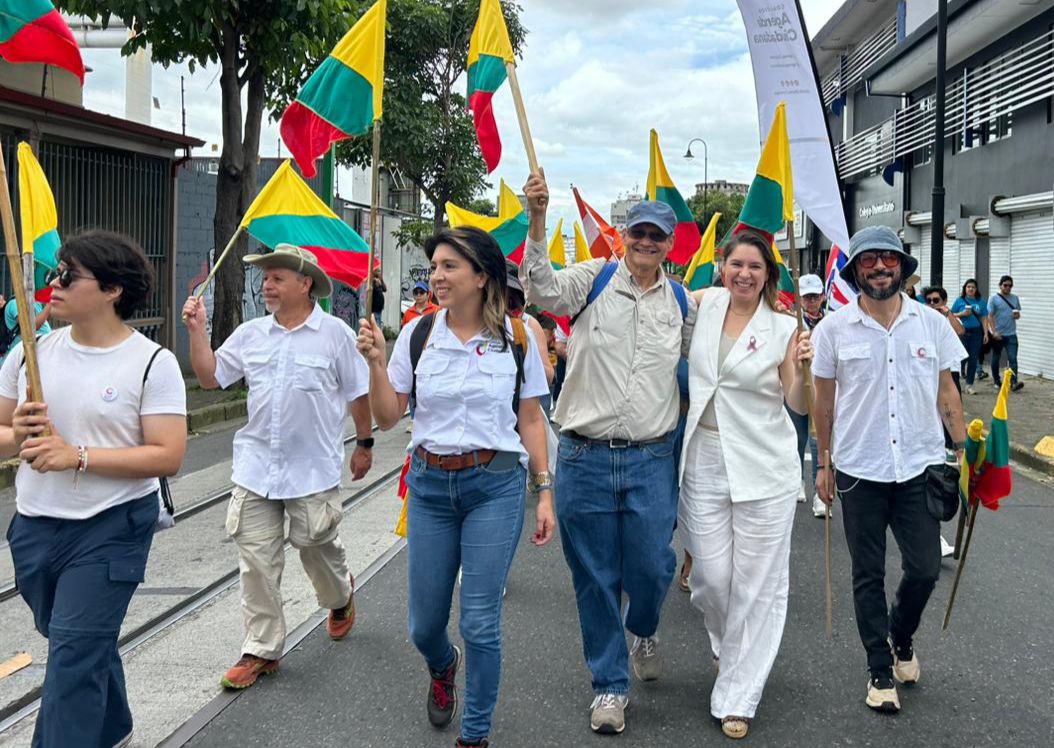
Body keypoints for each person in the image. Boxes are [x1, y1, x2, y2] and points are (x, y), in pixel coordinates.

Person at [358, 225, 555, 748]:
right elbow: (386, 416)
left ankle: (475, 734)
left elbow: (531, 419)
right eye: (436, 267)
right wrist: (377, 364)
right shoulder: (419, 336)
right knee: (424, 625)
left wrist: (545, 491)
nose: (437, 276)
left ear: (481, 276)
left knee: (480, 620)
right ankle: (443, 667)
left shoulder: (515, 339)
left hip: (495, 486)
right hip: (429, 488)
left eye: (449, 266)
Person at [520, 170, 697, 735]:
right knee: (594, 577)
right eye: (638, 233)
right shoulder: (592, 280)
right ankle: (609, 685)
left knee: (651, 567)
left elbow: (712, 366)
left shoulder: (680, 302)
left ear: (670, 245)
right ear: (623, 235)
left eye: (657, 236)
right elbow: (540, 289)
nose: (646, 242)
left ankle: (643, 625)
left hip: (650, 460)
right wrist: (538, 217)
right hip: (584, 458)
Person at [0, 231, 187, 748]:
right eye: (54, 272)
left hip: (112, 527)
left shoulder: (152, 362)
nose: (51, 284)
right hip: (36, 527)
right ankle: (113, 724)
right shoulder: (29, 355)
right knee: (71, 638)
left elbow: (167, 455)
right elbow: (1, 436)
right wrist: (18, 433)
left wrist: (76, 455)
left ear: (111, 291)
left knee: (72, 654)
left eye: (67, 276)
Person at [183, 243, 374, 690]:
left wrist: (364, 444)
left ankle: (340, 594)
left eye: (277, 277)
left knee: (315, 543)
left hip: (312, 470)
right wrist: (197, 331)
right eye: (265, 278)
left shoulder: (336, 336)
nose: (267, 285)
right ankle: (261, 649)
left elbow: (358, 395)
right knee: (255, 561)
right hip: (255, 468)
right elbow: (211, 376)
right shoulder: (252, 335)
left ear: (305, 284)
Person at [813, 226, 967, 714]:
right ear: (855, 270)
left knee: (923, 567)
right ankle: (879, 669)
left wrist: (965, 452)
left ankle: (901, 635)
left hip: (919, 466)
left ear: (901, 266)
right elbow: (824, 402)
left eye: (888, 260)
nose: (880, 267)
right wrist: (823, 463)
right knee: (867, 573)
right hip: (859, 468)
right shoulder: (832, 330)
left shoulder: (931, 324)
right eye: (869, 261)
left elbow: (947, 392)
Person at [678, 229, 812, 739]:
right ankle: (725, 647)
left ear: (768, 274)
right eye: (737, 263)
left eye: (755, 267)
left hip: (764, 462)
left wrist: (804, 367)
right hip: (705, 455)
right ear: (722, 265)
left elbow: (796, 405)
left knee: (757, 585)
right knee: (712, 577)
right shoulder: (703, 305)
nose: (745, 274)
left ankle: (738, 694)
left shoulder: (783, 328)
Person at [788, 273, 827, 518]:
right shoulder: (791, 321)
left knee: (819, 438)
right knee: (797, 436)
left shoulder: (831, 322)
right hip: (796, 386)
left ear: (822, 296)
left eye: (815, 296)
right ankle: (798, 480)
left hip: (822, 387)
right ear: (800, 299)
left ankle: (820, 496)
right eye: (807, 297)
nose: (811, 301)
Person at [950, 278, 988, 395]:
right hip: (962, 332)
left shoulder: (980, 301)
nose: (970, 289)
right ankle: (955, 382)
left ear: (976, 289)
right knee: (961, 357)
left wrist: (986, 333)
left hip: (976, 332)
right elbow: (951, 315)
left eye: (973, 287)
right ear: (965, 289)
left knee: (973, 358)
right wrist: (962, 314)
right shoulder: (959, 301)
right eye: (968, 287)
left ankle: (969, 385)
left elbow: (984, 318)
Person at [987, 275, 1023, 391]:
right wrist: (994, 331)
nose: (1007, 288)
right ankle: (997, 380)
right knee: (996, 358)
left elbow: (1017, 314)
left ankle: (1013, 382)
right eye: (1005, 285)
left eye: (1010, 286)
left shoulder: (1015, 298)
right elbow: (990, 316)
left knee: (1013, 358)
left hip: (1011, 334)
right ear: (1000, 285)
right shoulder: (993, 299)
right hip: (998, 334)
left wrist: (1017, 315)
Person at [1, 297, 52, 364]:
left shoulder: (36, 303)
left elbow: (43, 322)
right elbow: (29, 327)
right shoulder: (15, 303)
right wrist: (49, 306)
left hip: (38, 349)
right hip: (22, 353)